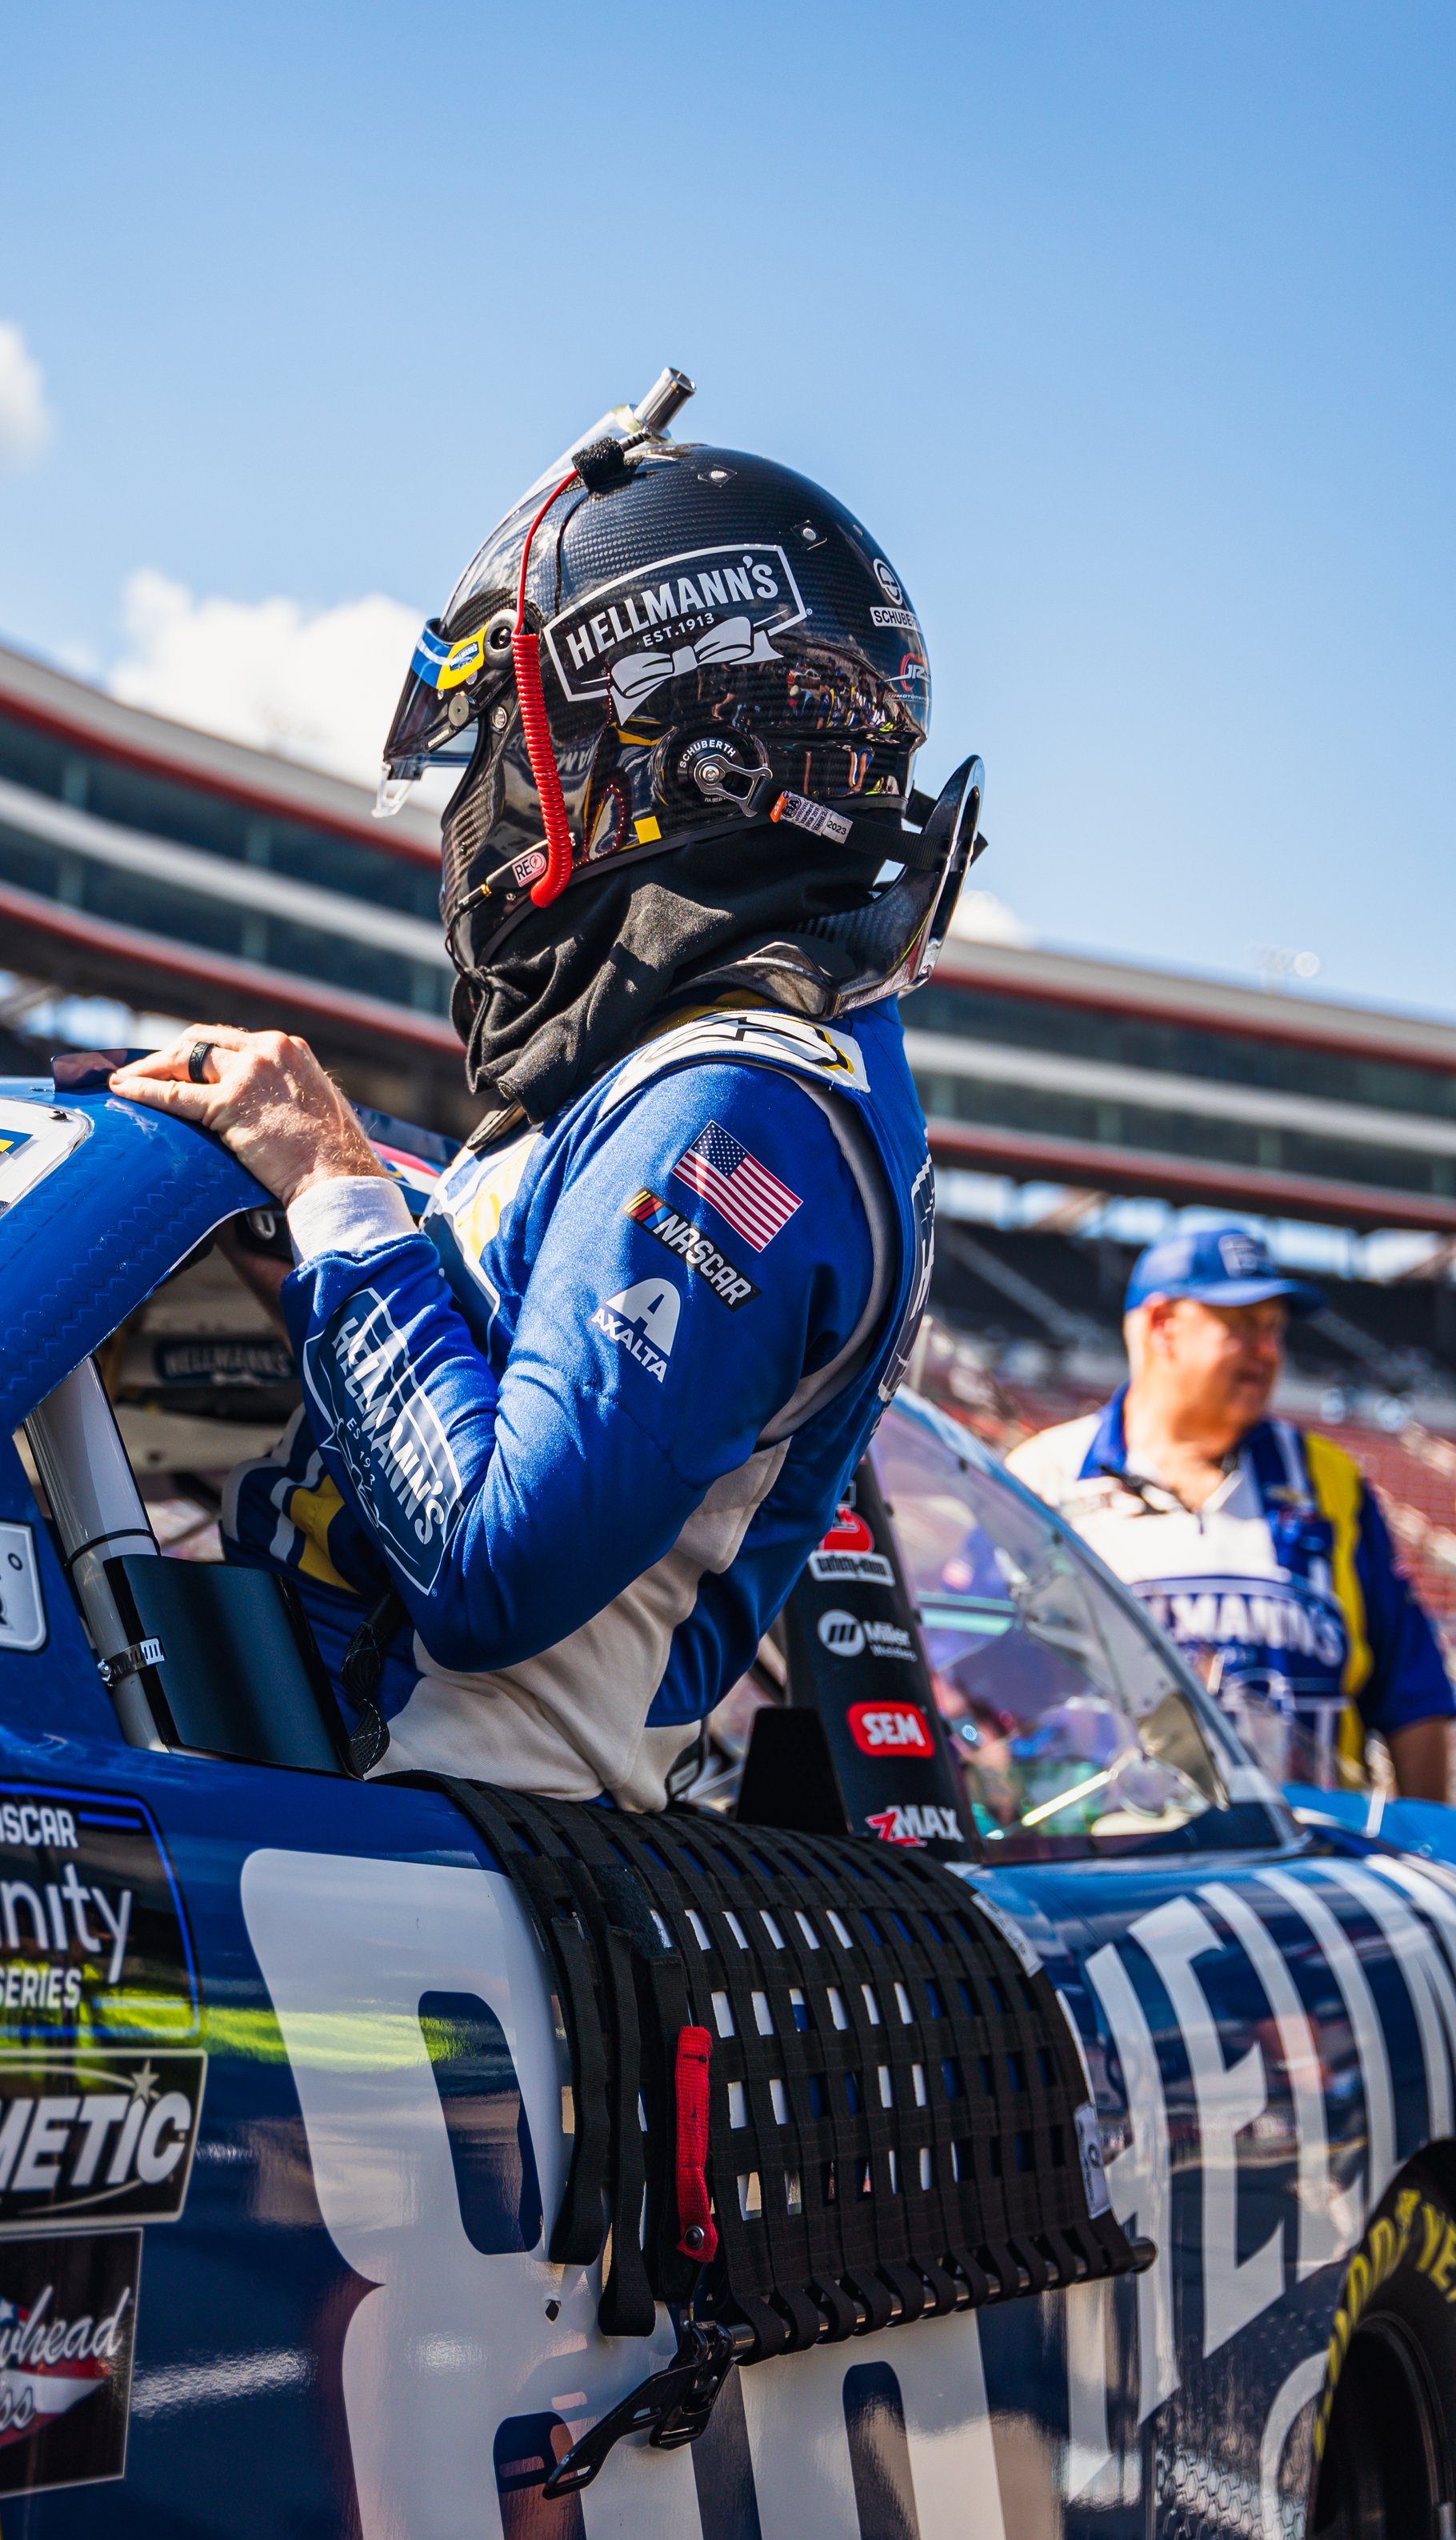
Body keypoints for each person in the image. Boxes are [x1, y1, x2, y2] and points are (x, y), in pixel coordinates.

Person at [110, 375, 981, 1805]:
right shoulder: (698, 1064)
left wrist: (334, 1187)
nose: (480, 819)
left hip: (437, 1849)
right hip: (373, 1815)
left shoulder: (740, 1104)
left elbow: (489, 1568)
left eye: (512, 761)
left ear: (684, 764)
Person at [1006, 1225, 1454, 1800]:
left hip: (1310, 1845)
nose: (1268, 1351)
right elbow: (984, 1680)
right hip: (1106, 1840)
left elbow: (1413, 1694)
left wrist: (1426, 1837)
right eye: (1242, 1326)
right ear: (1162, 1326)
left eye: (1274, 1329)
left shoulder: (1330, 1481)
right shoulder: (1043, 1475)